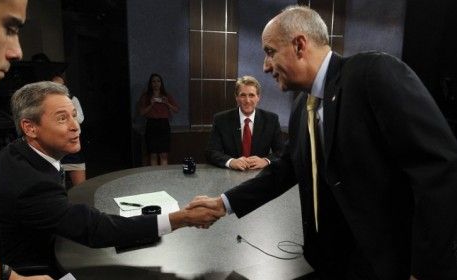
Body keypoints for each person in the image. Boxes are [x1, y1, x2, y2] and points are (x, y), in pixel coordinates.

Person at [187, 5, 457, 280]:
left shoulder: (372, 74)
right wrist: (224, 203)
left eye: (269, 52)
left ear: (300, 45)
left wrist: (425, 271)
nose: (265, 66)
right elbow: (285, 169)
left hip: (389, 267)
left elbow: (438, 170)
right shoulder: (302, 106)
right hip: (331, 263)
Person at [0, 81, 223, 278]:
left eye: (74, 115)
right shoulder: (29, 181)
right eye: (62, 119)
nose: (76, 127)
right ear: (30, 128)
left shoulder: (21, 153)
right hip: (33, 270)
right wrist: (180, 218)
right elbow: (96, 229)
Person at [0, 1, 53, 279]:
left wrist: (8, 276)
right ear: (29, 128)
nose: (17, 52)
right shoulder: (27, 176)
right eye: (9, 27)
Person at [205, 75, 283, 171]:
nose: (247, 100)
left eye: (251, 95)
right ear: (236, 97)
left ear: (258, 97)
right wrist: (231, 161)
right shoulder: (221, 119)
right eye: (243, 95)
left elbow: (281, 151)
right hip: (230, 174)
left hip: (261, 175)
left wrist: (266, 161)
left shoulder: (271, 120)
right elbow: (211, 151)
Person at [52, 74, 86, 186]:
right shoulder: (47, 103)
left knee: (81, 187)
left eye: (61, 85)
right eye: (54, 85)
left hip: (72, 145)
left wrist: (67, 114)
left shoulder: (72, 99)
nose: (58, 88)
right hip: (56, 146)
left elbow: (80, 118)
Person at [137, 73, 179, 166]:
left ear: (161, 83)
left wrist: (167, 103)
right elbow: (141, 113)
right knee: (153, 155)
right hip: (151, 125)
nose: (156, 83)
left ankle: (163, 177)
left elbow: (176, 109)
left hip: (164, 125)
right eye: (153, 81)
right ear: (150, 83)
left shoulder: (166, 95)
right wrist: (151, 104)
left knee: (164, 154)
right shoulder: (146, 96)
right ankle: (155, 177)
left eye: (158, 81)